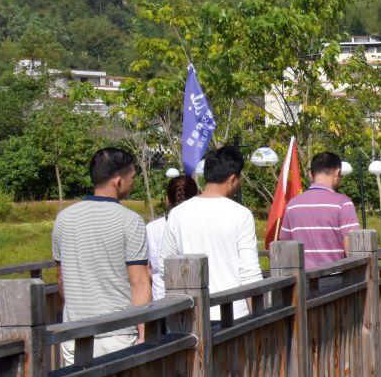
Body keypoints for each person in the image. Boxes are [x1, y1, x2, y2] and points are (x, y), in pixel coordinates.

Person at [52, 146, 151, 357]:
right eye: (132, 177)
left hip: (74, 332)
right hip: (118, 333)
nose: (133, 183)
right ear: (118, 181)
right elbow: (139, 282)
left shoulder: (64, 218)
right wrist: (144, 334)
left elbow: (61, 279)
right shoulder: (130, 221)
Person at [164, 144, 263, 313]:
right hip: (232, 313)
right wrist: (261, 317)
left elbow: (165, 265)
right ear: (232, 179)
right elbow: (250, 273)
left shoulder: (177, 214)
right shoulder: (241, 214)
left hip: (189, 313)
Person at [277, 151, 362, 269]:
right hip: (335, 279)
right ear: (337, 173)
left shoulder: (292, 205)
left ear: (311, 175)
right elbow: (352, 250)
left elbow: (284, 245)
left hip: (302, 281)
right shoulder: (343, 203)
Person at [145, 174, 199, 301]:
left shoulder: (151, 229)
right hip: (194, 299)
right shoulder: (200, 227)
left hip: (161, 301)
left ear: (167, 199)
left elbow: (146, 270)